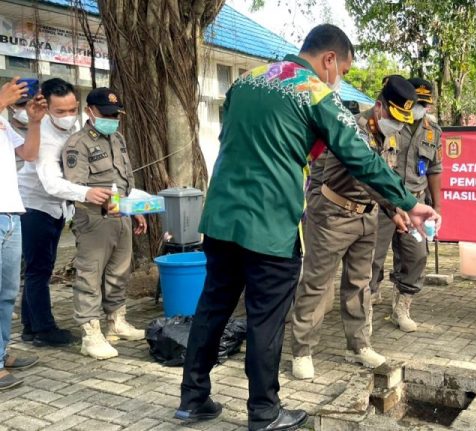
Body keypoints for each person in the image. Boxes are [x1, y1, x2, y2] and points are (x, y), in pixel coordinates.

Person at [175, 25, 439, 431]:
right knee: (266, 318)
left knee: (212, 307)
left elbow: (242, 135)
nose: (340, 79)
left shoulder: (247, 80)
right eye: (344, 70)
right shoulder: (316, 92)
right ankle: (264, 411)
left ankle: (193, 399)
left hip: (221, 217)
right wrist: (407, 201)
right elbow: (361, 159)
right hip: (270, 223)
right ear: (329, 59)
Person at [291, 75, 417, 380]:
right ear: (378, 107)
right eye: (394, 117)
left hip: (366, 217)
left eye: (403, 121)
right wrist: (398, 204)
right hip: (333, 216)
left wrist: (391, 210)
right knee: (317, 284)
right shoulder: (350, 129)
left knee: (360, 284)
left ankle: (359, 345)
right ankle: (302, 350)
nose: (398, 126)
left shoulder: (388, 136)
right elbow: (363, 174)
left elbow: (383, 177)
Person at [61, 87, 147, 360]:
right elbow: (75, 186)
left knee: (119, 273)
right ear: (90, 111)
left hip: (120, 215)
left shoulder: (118, 138)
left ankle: (116, 322)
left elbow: (125, 180)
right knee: (90, 275)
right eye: (106, 114)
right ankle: (90, 333)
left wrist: (136, 209)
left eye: (115, 114)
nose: (112, 118)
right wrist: (98, 200)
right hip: (94, 218)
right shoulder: (78, 143)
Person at [17, 78, 92, 347]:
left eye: (72, 109)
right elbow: (50, 182)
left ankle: (30, 327)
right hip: (34, 207)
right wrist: (87, 193)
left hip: (54, 207)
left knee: (39, 268)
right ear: (46, 108)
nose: (68, 116)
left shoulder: (73, 128)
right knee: (38, 271)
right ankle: (44, 330)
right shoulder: (45, 135)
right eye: (60, 111)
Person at [369, 77, 442, 333]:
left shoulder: (433, 131)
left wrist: (437, 206)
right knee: (371, 257)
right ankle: (367, 301)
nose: (420, 108)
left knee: (416, 256)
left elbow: (435, 169)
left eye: (424, 104)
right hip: (382, 202)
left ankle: (402, 307)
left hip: (415, 204)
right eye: (417, 103)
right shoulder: (388, 123)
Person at [0, 77, 46, 390]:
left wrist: (34, 121)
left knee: (6, 296)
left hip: (11, 215)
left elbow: (28, 153)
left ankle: (0, 352)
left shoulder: (3, 122)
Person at [7, 97, 29, 170]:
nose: (25, 108)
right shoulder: (4, 132)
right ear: (9, 107)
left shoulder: (46, 124)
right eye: (21, 105)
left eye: (28, 104)